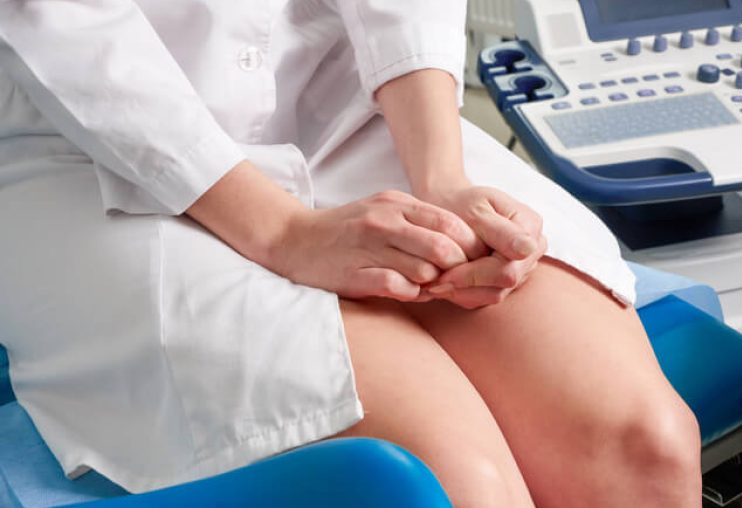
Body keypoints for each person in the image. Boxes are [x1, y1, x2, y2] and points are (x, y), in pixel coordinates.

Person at [0, 1, 701, 506]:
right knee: (458, 488)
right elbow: (61, 27)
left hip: (338, 106)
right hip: (84, 150)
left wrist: (441, 177)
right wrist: (284, 234)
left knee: (649, 446)